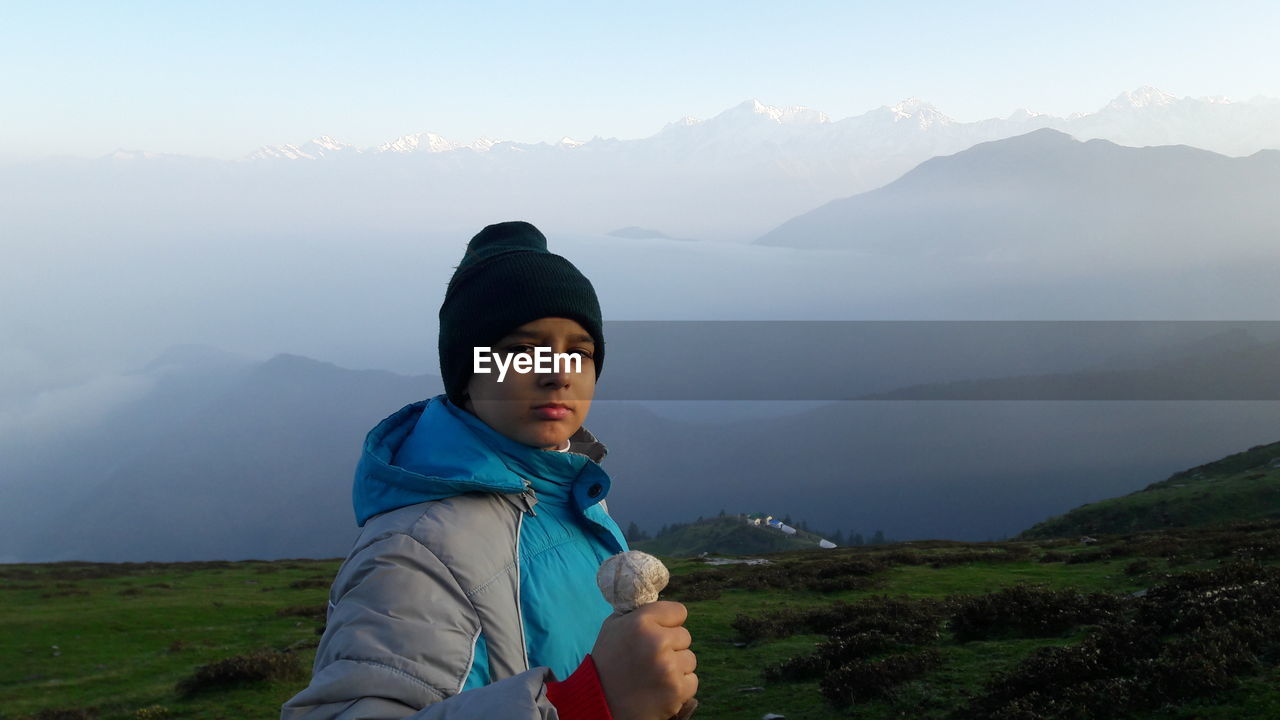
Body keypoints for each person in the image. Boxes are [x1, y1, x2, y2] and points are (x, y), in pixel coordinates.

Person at [280, 221, 697, 720]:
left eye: (579, 352)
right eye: (521, 351)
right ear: (466, 372)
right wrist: (590, 703)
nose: (556, 373)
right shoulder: (416, 553)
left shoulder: (567, 492)